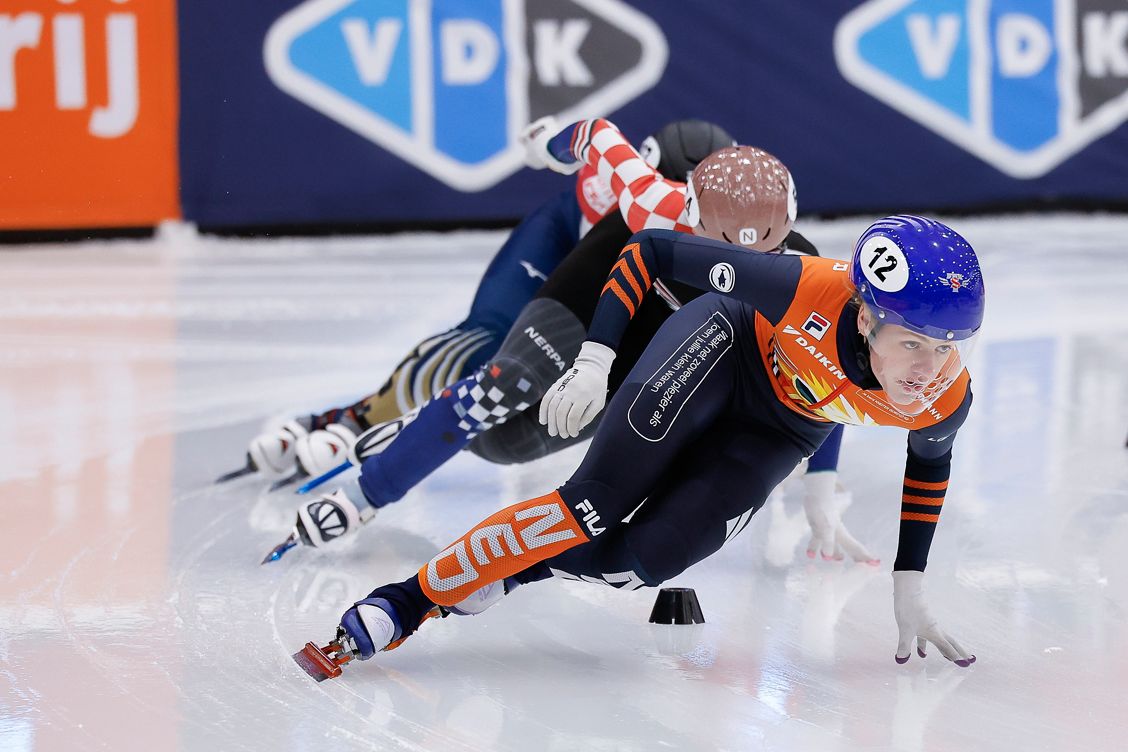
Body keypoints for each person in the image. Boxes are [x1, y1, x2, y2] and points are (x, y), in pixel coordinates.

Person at [321, 214, 983, 669]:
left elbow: (928, 469)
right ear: (865, 316)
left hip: (782, 426)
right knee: (592, 505)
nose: (928, 368)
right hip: (725, 349)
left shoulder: (945, 395)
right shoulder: (803, 287)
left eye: (948, 347)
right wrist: (593, 359)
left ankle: (518, 567)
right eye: (913, 343)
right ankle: (407, 600)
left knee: (638, 566)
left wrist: (910, 585)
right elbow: (652, 249)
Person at [275, 119, 870, 569]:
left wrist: (819, 483)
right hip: (587, 298)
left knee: (505, 446)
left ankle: (419, 428)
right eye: (717, 244)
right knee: (508, 385)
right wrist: (548, 145)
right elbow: (597, 136)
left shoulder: (803, 273)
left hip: (643, 348)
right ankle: (365, 493)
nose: (732, 265)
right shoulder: (649, 202)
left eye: (754, 255)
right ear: (687, 211)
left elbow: (822, 374)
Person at [237, 119, 736, 483]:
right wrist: (549, 145)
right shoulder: (641, 193)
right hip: (565, 248)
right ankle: (356, 420)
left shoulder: (716, 223)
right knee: (488, 345)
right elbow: (589, 138)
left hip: (619, 280)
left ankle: (359, 419)